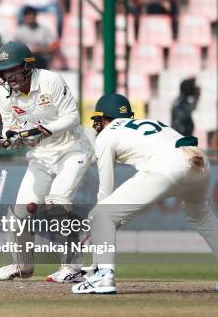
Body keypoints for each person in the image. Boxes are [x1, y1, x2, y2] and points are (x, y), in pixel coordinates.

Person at [72, 93, 218, 294]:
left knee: (102, 213)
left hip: (169, 165)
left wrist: (97, 224)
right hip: (199, 159)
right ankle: (100, 271)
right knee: (201, 216)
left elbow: (105, 192)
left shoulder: (106, 134)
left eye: (99, 121)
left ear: (104, 119)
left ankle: (103, 277)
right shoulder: (150, 121)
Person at [0, 41, 93, 282]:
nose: (8, 76)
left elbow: (72, 117)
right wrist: (11, 139)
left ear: (27, 66)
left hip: (72, 150)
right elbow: (10, 127)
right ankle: (22, 267)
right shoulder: (3, 95)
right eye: (4, 71)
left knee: (57, 202)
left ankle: (72, 268)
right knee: (20, 213)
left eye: (13, 69)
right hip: (40, 157)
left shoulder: (51, 81)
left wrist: (42, 130)